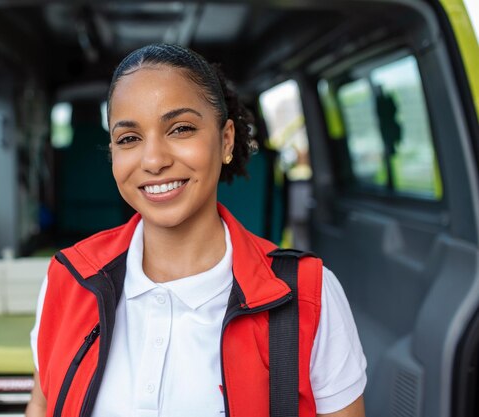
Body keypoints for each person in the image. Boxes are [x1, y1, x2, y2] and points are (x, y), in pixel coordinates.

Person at [26, 43, 367, 417]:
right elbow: (42, 406)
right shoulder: (69, 278)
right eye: (129, 138)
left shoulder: (308, 295)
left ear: (225, 140)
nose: (154, 160)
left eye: (181, 129)